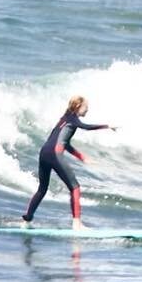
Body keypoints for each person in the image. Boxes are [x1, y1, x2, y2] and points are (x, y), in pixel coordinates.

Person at [22, 96, 114, 229]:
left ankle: (27, 220)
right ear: (78, 107)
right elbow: (86, 127)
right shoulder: (73, 120)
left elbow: (64, 143)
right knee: (75, 187)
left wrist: (82, 157)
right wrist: (107, 126)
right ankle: (77, 224)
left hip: (44, 153)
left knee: (42, 189)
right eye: (85, 107)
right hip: (54, 154)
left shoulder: (63, 119)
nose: (87, 109)